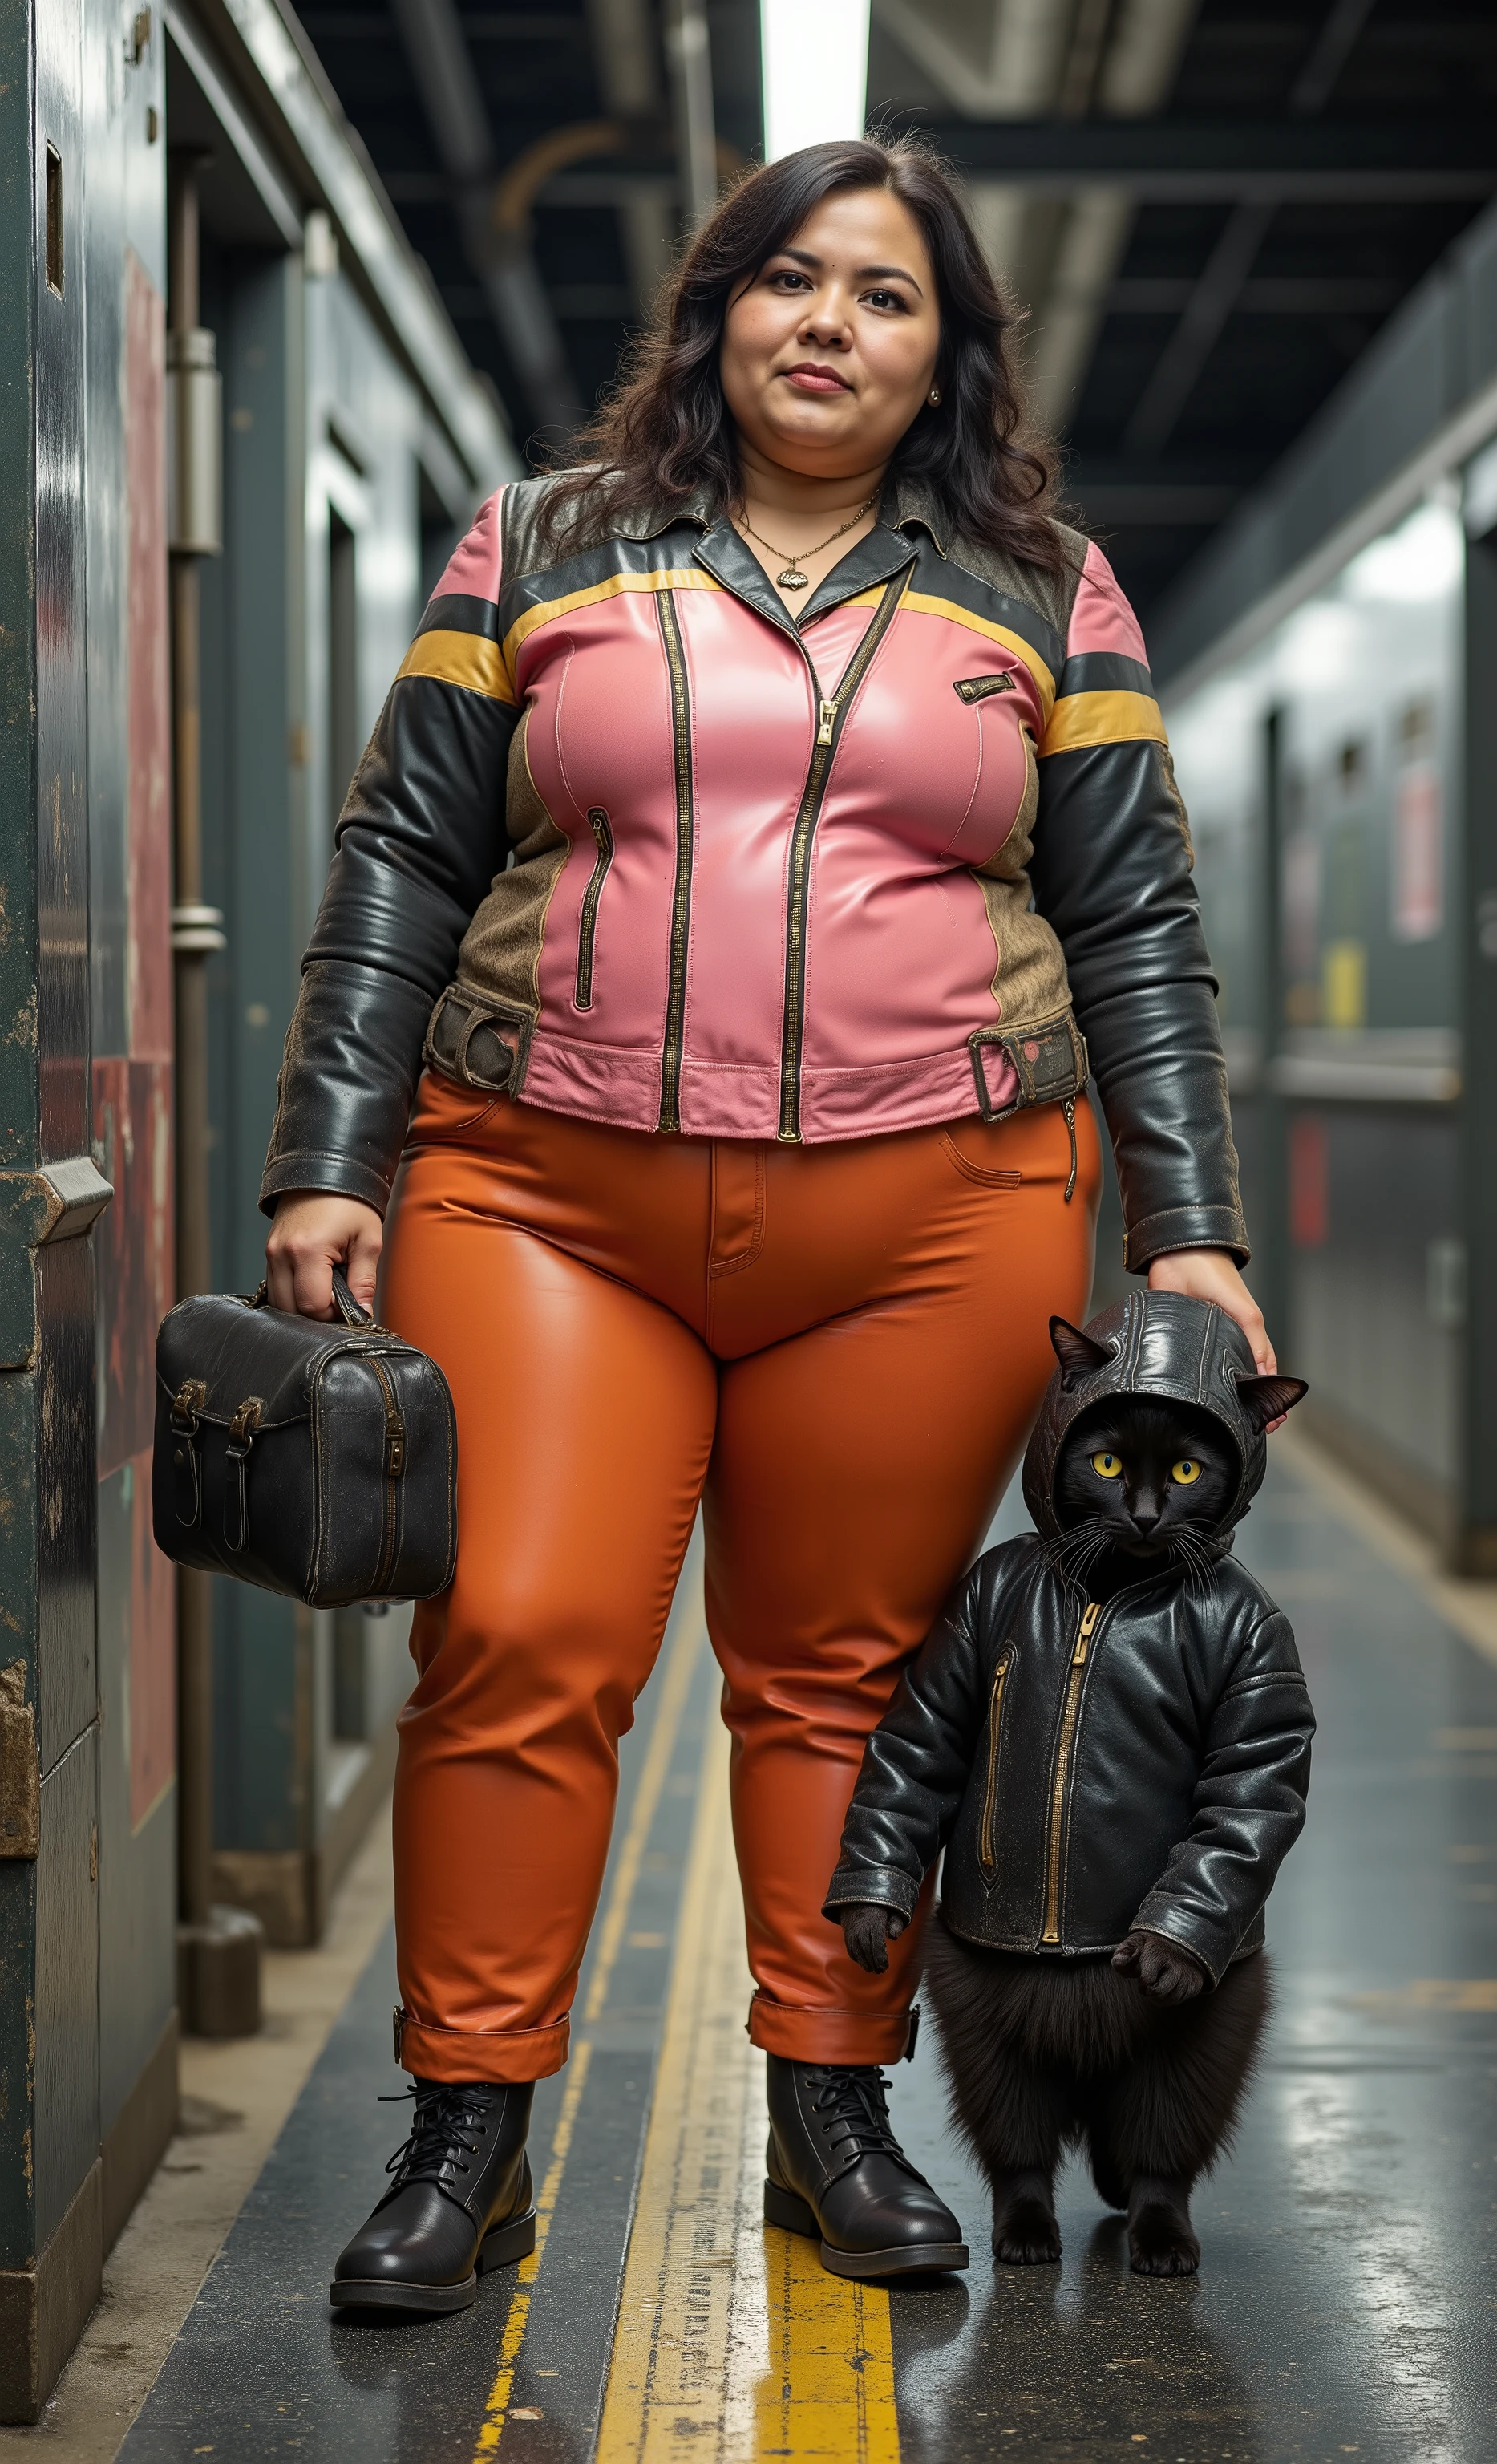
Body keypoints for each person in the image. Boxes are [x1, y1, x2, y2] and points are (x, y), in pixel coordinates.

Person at [262, 135, 1272, 2312]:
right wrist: (331, 1155)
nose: (830, 321)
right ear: (717, 310)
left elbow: (1136, 929)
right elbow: (398, 872)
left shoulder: (1047, 593)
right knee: (520, 1636)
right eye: (788, 278)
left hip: (943, 1215)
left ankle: (834, 2106)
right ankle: (471, 2127)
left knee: (850, 1683)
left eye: (886, 294)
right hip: (544, 1183)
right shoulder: (537, 547)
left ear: (948, 355)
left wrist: (1193, 1234)